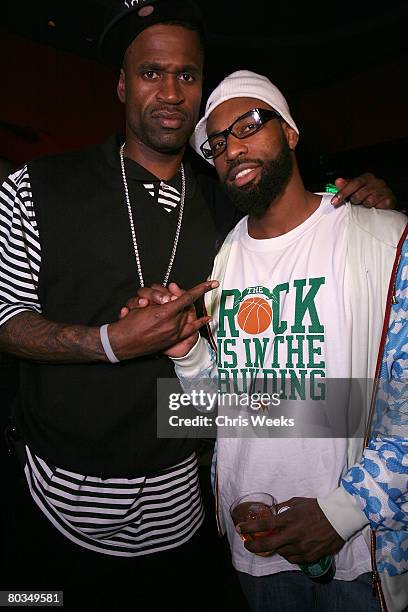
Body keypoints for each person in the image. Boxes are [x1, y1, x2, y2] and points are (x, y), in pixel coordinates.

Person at [0, 0, 400, 608]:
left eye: (186, 75)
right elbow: (7, 323)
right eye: (149, 72)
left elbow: (259, 389)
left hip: (188, 503)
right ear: (120, 83)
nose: (169, 91)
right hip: (61, 499)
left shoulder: (231, 209)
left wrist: (369, 213)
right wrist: (110, 343)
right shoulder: (37, 185)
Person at [162, 70, 408, 612]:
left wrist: (341, 512)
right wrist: (188, 353)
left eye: (250, 123)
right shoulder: (222, 263)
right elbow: (227, 410)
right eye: (218, 142)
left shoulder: (384, 239)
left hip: (360, 554)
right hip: (255, 548)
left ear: (291, 132)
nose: (232, 148)